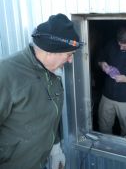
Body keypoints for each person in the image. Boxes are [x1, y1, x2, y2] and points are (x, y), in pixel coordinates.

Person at [0, 13, 83, 169]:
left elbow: (50, 118)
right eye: (69, 55)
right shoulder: (6, 74)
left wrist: (55, 148)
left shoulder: (53, 76)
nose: (70, 60)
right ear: (50, 51)